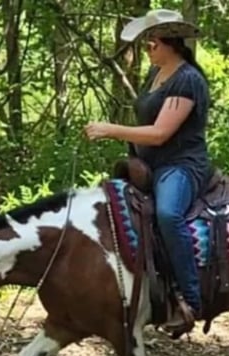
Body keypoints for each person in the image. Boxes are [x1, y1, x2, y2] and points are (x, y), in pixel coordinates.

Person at [84, 8, 211, 338]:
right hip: (150, 165)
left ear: (170, 43)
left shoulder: (187, 79)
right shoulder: (156, 74)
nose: (147, 48)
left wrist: (111, 130)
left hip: (181, 165)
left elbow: (159, 133)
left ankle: (191, 299)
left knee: (168, 214)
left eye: (151, 42)